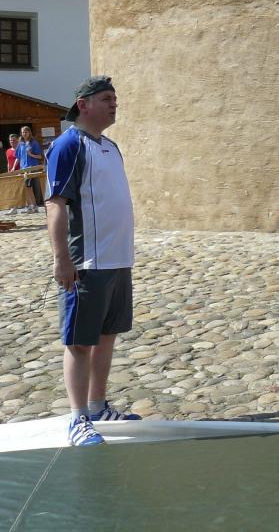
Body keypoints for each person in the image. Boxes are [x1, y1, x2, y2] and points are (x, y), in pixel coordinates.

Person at [45, 76, 142, 447]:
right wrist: (62, 259)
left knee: (106, 335)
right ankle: (78, 418)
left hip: (117, 259)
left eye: (115, 98)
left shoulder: (111, 147)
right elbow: (56, 204)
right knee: (79, 342)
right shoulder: (69, 145)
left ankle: (98, 406)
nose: (114, 103)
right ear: (83, 105)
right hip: (87, 261)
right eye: (106, 99)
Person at [14, 125, 44, 211]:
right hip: (24, 169)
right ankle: (32, 205)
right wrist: (13, 167)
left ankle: (34, 205)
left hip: (32, 168)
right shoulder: (21, 143)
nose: (24, 134)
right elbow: (18, 157)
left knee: (32, 186)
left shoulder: (34, 142)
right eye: (23, 132)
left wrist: (31, 154)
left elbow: (40, 156)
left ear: (29, 132)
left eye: (26, 132)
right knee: (27, 186)